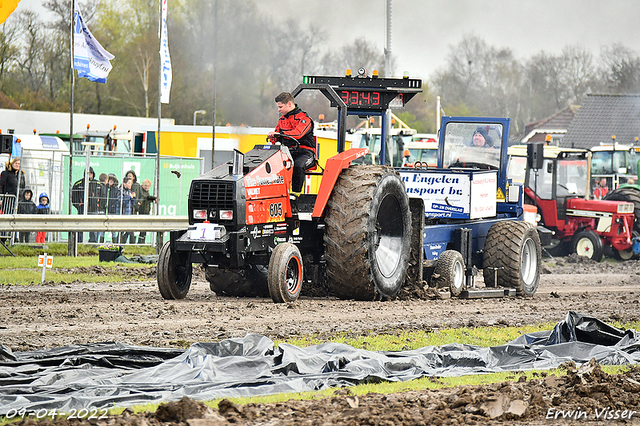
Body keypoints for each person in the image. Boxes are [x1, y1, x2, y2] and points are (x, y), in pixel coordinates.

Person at [267, 92, 315, 194]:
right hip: (289, 152)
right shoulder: (282, 120)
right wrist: (272, 138)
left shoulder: (304, 119)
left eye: (280, 107)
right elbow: (275, 137)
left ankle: (295, 195)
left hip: (306, 153)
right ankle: (276, 193)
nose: (279, 110)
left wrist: (279, 134)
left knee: (297, 165)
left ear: (289, 104)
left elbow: (298, 134)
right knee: (272, 165)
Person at [71, 167, 100, 243]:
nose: (89, 175)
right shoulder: (78, 184)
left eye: (90, 173)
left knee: (93, 227)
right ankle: (79, 242)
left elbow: (103, 196)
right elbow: (74, 197)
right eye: (88, 173)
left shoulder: (98, 184)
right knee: (81, 226)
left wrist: (97, 205)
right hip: (82, 209)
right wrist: (79, 205)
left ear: (93, 174)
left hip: (94, 209)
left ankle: (93, 242)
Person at [135, 178, 156, 244]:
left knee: (145, 228)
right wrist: (154, 198)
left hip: (146, 211)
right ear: (142, 185)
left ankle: (142, 241)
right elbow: (146, 197)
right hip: (142, 211)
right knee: (142, 228)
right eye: (145, 185)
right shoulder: (141, 191)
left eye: (148, 186)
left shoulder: (147, 191)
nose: (147, 187)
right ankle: (140, 242)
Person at [119, 176, 136, 244]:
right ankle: (120, 243)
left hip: (128, 214)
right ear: (124, 184)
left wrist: (133, 198)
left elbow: (131, 204)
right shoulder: (120, 191)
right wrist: (129, 197)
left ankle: (122, 243)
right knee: (121, 231)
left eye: (131, 183)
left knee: (129, 230)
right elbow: (121, 202)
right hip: (122, 213)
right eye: (129, 183)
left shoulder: (129, 191)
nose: (130, 185)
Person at [106, 173, 121, 243]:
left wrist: (113, 206)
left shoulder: (116, 190)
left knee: (113, 229)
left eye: (112, 179)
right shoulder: (105, 188)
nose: (111, 181)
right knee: (102, 229)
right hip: (104, 211)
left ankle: (114, 244)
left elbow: (117, 200)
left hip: (113, 212)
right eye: (109, 179)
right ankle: (100, 243)